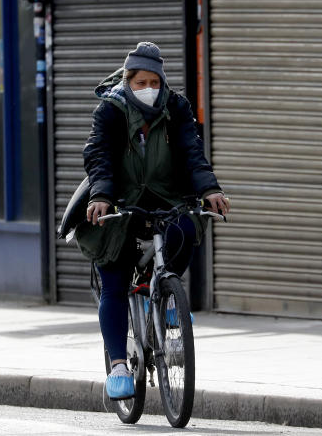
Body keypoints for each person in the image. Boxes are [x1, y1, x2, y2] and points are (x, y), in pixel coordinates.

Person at [75, 41, 230, 400]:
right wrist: (101, 196)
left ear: (163, 81)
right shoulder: (110, 112)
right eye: (141, 82)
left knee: (189, 227)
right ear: (128, 80)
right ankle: (117, 366)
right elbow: (99, 156)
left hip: (166, 199)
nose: (149, 89)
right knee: (114, 280)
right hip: (121, 202)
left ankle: (165, 297)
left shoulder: (176, 108)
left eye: (154, 82)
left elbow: (193, 153)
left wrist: (210, 189)